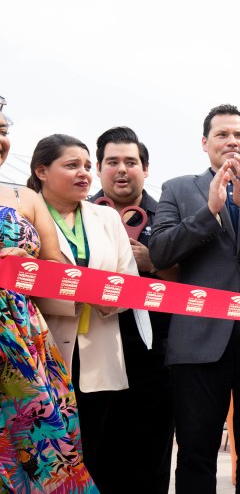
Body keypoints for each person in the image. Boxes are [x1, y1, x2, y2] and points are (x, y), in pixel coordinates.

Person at [149, 104, 240, 493]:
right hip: (198, 338)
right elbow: (161, 251)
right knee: (196, 449)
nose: (232, 141)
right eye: (222, 135)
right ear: (205, 143)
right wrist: (209, 211)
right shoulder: (178, 188)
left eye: (239, 135)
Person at [29, 133, 150, 491]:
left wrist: (113, 299)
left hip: (99, 352)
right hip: (43, 352)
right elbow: (21, 287)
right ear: (42, 172)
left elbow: (129, 279)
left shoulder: (106, 218)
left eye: (86, 166)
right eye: (71, 166)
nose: (84, 173)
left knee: (95, 453)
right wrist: (73, 298)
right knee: (46, 456)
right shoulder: (25, 214)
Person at [0, 104, 98, 492]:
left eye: (3, 128)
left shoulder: (24, 195)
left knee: (45, 443)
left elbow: (57, 270)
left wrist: (31, 268)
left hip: (23, 338)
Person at [90, 126, 176, 493]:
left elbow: (194, 281)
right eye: (113, 162)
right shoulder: (80, 216)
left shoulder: (168, 218)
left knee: (151, 456)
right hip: (93, 353)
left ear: (146, 168)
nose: (122, 169)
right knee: (95, 454)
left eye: (131, 161)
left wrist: (153, 264)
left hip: (153, 358)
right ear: (98, 168)